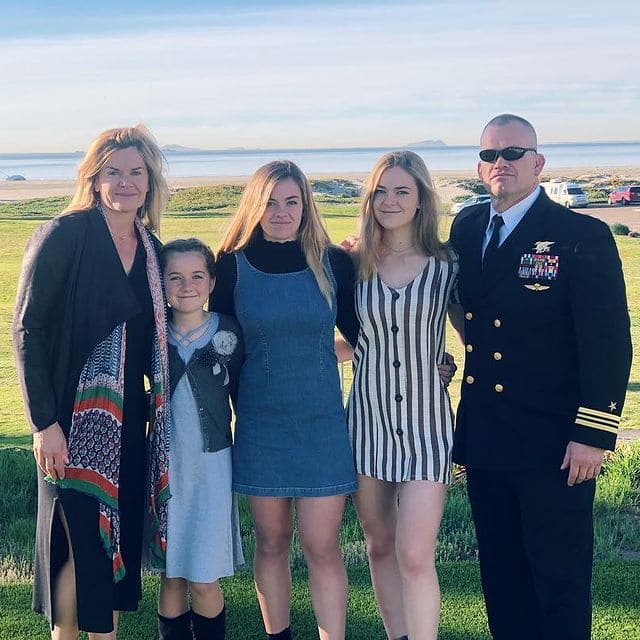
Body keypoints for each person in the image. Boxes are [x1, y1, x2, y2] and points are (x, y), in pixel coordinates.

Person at [448, 113, 633, 640]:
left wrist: (594, 434)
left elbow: (609, 342)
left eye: (512, 152)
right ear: (480, 167)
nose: (500, 163)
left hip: (556, 440)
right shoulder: (466, 226)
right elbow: (460, 305)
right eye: (490, 155)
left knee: (559, 577)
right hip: (487, 437)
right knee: (501, 576)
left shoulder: (580, 235)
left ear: (538, 161)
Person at [12, 125, 171, 639]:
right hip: (69, 425)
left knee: (111, 546)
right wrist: (44, 425)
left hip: (126, 429)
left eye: (136, 172)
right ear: (94, 178)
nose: (125, 182)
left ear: (150, 181)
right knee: (74, 548)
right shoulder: (66, 234)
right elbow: (27, 328)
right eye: (113, 172)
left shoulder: (152, 250)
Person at [211, 160, 359, 640]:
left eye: (291, 201)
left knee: (322, 546)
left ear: (306, 205)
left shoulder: (334, 262)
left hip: (322, 426)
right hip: (260, 425)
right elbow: (220, 349)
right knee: (272, 543)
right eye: (270, 202)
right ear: (254, 205)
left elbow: (365, 338)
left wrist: (432, 361)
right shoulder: (230, 267)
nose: (281, 212)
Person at [339, 151, 462, 640]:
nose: (389, 201)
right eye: (380, 191)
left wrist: (448, 363)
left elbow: (473, 334)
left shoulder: (447, 266)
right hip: (368, 425)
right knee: (379, 544)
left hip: (428, 426)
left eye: (401, 191)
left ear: (420, 200)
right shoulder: (350, 263)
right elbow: (351, 341)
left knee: (415, 553)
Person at [156, 238, 244, 640]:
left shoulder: (229, 331)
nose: (186, 285)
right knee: (172, 574)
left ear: (211, 282)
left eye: (196, 276)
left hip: (212, 469)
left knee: (204, 577)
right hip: (166, 468)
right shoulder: (152, 336)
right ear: (161, 283)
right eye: (175, 277)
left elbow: (249, 393)